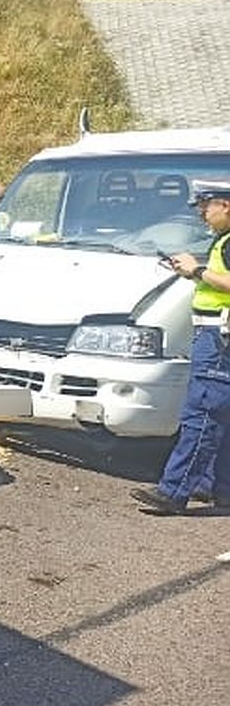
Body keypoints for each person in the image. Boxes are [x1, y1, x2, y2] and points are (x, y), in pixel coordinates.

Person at [132, 178, 230, 514]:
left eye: (206, 206)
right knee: (221, 415)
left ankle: (174, 491)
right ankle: (216, 487)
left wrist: (198, 270)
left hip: (219, 338)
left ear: (225, 205)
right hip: (218, 335)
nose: (202, 214)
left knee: (202, 412)